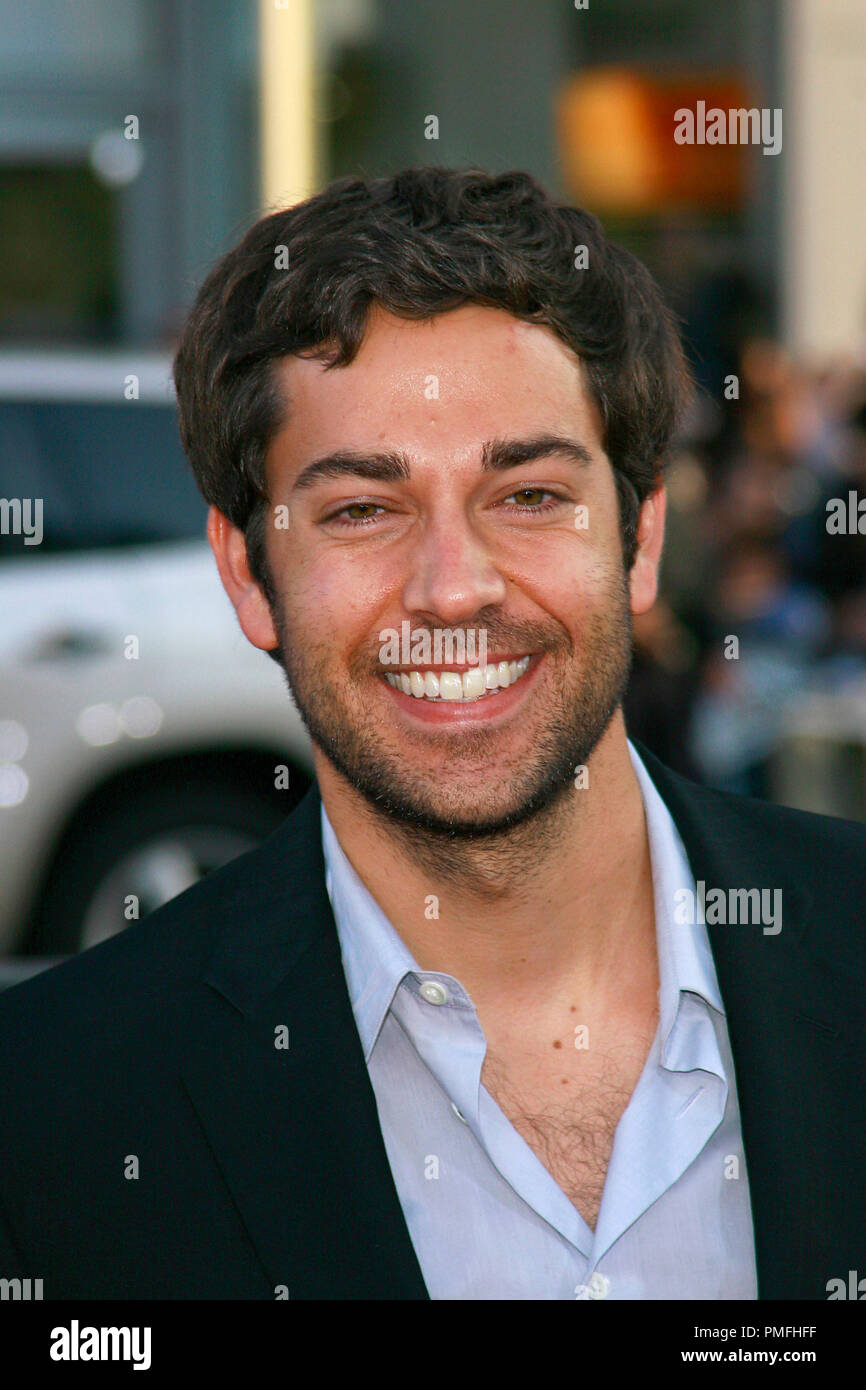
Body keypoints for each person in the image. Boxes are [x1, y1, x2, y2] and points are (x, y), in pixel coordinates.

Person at [0, 168, 863, 1301]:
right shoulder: (48, 1115)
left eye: (527, 495)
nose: (453, 590)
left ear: (640, 537)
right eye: (362, 508)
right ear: (247, 575)